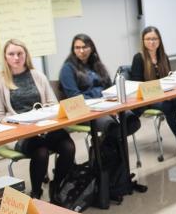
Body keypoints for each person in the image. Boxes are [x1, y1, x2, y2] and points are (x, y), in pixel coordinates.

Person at [0, 39, 75, 201]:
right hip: (19, 133)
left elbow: (53, 104)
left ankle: (57, 185)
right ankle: (36, 193)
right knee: (41, 152)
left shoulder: (37, 75)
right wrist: (21, 120)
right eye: (11, 54)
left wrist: (42, 116)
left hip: (45, 127)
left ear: (26, 55)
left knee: (68, 147)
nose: (16, 58)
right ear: (5, 57)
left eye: (20, 53)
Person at [59, 33, 143, 173]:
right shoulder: (68, 69)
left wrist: (112, 102)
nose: (81, 50)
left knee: (132, 121)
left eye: (84, 47)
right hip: (86, 112)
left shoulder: (97, 65)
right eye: (77, 47)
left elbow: (109, 88)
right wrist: (99, 99)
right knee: (112, 127)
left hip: (107, 105)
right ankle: (109, 165)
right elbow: (74, 97)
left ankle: (103, 152)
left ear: (91, 48)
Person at [130, 26, 176, 161]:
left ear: (159, 40)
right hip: (148, 98)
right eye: (148, 39)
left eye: (155, 39)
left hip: (166, 94)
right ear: (143, 41)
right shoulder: (139, 58)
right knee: (168, 106)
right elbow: (137, 84)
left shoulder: (163, 56)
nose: (152, 42)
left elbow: (168, 77)